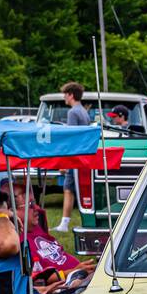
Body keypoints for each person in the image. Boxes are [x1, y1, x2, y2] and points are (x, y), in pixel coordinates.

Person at [55, 82, 92, 233]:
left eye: (65, 94)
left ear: (71, 95)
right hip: (83, 155)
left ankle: (64, 224)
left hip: (75, 157)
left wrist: (66, 161)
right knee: (73, 189)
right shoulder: (83, 111)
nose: (64, 97)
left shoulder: (73, 113)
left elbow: (71, 139)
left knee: (68, 189)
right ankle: (65, 223)